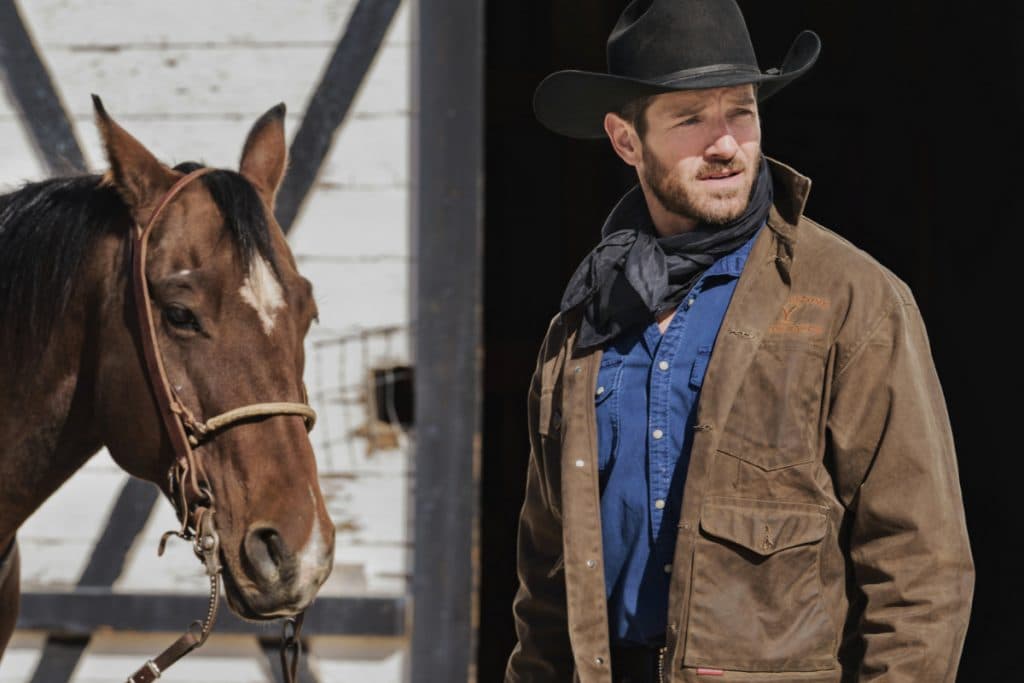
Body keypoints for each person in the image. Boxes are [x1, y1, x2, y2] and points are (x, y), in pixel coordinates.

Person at [504, 1, 974, 681]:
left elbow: (921, 568)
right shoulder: (581, 327)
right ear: (626, 140)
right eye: (690, 118)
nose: (724, 143)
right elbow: (545, 582)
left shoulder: (851, 301)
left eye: (741, 112)